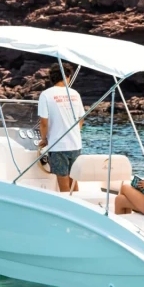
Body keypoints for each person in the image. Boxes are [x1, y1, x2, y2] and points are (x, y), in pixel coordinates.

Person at [38, 63, 85, 193]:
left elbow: (43, 122)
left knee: (63, 183)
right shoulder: (75, 94)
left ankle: (68, 210)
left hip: (59, 146)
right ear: (67, 76)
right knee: (73, 180)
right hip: (76, 145)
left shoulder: (46, 95)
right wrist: (75, 132)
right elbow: (81, 118)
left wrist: (44, 139)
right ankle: (78, 207)